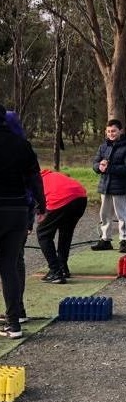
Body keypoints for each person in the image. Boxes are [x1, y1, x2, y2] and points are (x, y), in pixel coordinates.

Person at [0, 104, 46, 339]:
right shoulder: (21, 145)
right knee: (9, 265)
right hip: (17, 209)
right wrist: (42, 205)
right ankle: (14, 322)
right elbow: (35, 179)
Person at [91, 118, 126, 254]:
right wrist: (99, 166)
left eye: (114, 131)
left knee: (122, 214)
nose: (111, 134)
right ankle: (105, 239)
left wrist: (109, 168)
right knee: (104, 214)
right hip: (105, 186)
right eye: (109, 131)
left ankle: (123, 240)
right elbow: (95, 163)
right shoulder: (103, 146)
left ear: (120, 131)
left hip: (120, 187)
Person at [36, 169, 88, 284]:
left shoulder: (33, 181)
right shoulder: (52, 174)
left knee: (43, 234)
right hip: (81, 197)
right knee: (66, 231)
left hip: (62, 198)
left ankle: (55, 272)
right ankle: (63, 268)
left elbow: (32, 202)